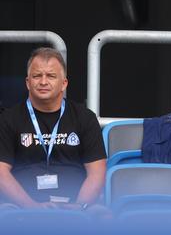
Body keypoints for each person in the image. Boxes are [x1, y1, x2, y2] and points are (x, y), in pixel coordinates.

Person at [0, 47, 107, 209]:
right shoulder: (8, 119)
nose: (43, 82)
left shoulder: (85, 118)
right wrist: (31, 206)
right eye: (37, 76)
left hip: (77, 206)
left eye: (51, 76)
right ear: (28, 83)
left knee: (105, 218)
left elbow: (97, 172)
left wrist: (78, 206)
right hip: (21, 207)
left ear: (64, 83)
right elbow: (1, 173)